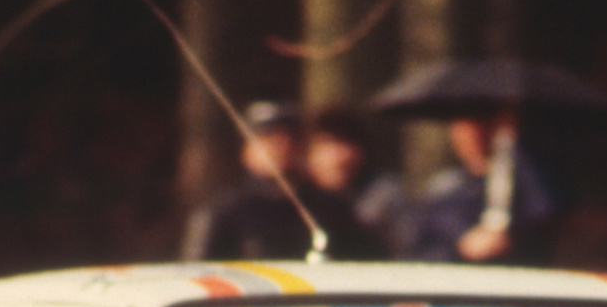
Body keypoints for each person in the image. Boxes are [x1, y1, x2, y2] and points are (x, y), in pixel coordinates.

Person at [400, 109, 562, 265]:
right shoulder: (443, 192)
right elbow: (418, 250)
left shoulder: (521, 181)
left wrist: (511, 143)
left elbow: (545, 213)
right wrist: (462, 244)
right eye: (461, 129)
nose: (469, 136)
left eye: (476, 127)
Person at [181, 102, 317, 262]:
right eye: (267, 137)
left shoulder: (328, 209)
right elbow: (198, 270)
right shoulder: (221, 214)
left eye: (291, 137)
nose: (282, 145)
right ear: (245, 149)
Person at [301, 106, 401, 259]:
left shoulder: (383, 197)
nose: (340, 157)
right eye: (328, 144)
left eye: (347, 145)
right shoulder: (291, 199)